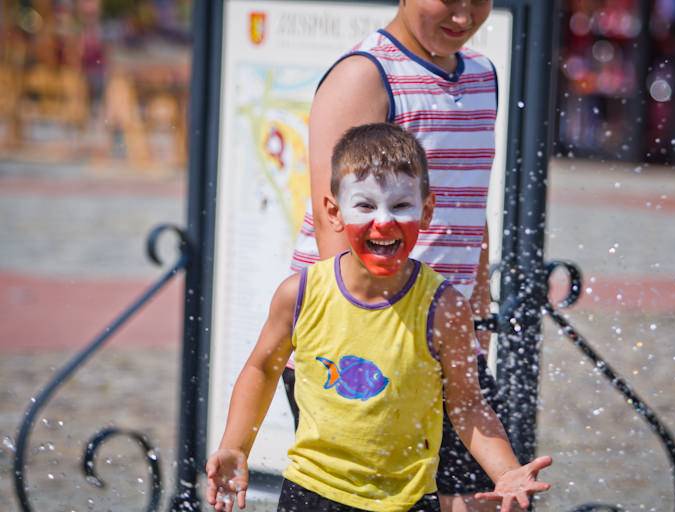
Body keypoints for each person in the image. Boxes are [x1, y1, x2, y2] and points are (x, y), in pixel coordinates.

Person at [207, 124, 552, 512]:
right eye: (366, 206)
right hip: (310, 492)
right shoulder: (300, 294)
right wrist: (235, 446)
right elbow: (262, 370)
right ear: (334, 212)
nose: (383, 221)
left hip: (404, 500)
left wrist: (505, 471)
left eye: (401, 206)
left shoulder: (443, 308)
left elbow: (467, 405)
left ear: (426, 211)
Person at [286, 2, 502, 509]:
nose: (464, 13)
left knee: (481, 497)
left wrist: (480, 307)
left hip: (445, 334)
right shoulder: (364, 77)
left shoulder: (482, 76)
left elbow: (467, 200)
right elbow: (335, 223)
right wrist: (369, 342)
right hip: (363, 345)